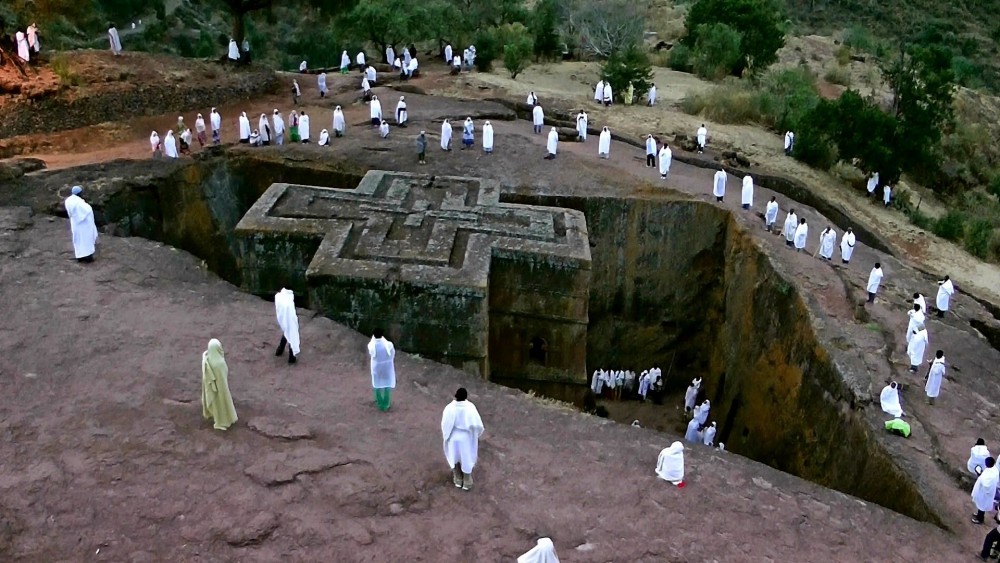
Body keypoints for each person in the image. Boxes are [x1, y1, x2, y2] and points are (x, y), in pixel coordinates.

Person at [441, 387, 485, 491]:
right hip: (465, 438)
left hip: (453, 437)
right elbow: (477, 424)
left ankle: (457, 477)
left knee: (454, 456)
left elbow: (445, 423)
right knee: (466, 457)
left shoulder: (449, 407)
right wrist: (475, 434)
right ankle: (467, 480)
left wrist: (447, 435)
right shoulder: (470, 407)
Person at [201, 338, 237, 431]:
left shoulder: (207, 359)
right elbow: (223, 375)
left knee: (216, 404)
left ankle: (217, 418)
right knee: (222, 403)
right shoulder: (219, 363)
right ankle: (222, 421)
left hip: (212, 387)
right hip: (221, 388)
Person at [64, 186, 98, 263]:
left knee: (78, 240)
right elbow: (86, 211)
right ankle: (88, 257)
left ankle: (80, 256)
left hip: (75, 225)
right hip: (84, 225)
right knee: (86, 240)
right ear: (79, 193)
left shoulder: (69, 201)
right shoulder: (79, 203)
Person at [369, 329, 396, 411]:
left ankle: (380, 403)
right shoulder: (389, 345)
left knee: (377, 384)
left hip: (376, 368)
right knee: (387, 384)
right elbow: (392, 354)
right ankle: (386, 404)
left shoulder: (371, 346)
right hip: (387, 367)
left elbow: (372, 355)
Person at [274, 288, 300, 364]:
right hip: (289, 318)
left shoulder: (279, 297)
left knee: (287, 332)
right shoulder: (289, 300)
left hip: (283, 317)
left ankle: (280, 350)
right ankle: (291, 357)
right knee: (292, 334)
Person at [972, 457, 999, 524]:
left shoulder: (991, 474)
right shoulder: (994, 469)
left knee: (982, 506)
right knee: (981, 505)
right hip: (984, 492)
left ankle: (980, 519)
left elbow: (986, 484)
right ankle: (978, 515)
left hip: (985, 493)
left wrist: (980, 476)